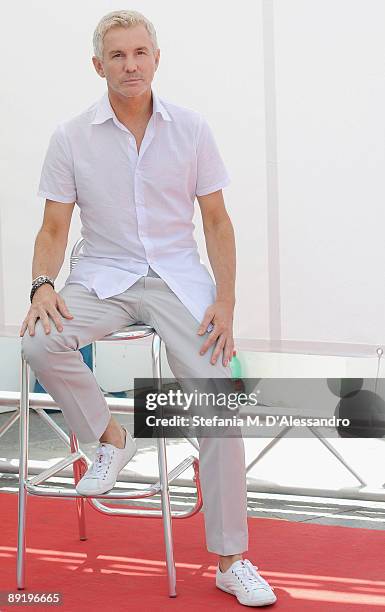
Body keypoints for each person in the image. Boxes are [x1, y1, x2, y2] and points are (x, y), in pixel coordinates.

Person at [19, 10, 276, 607]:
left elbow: (216, 219)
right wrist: (42, 286)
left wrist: (226, 301)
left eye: (140, 53)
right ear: (98, 65)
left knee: (218, 400)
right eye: (117, 56)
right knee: (38, 340)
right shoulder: (71, 135)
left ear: (156, 59)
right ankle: (109, 435)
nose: (130, 65)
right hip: (103, 275)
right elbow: (54, 226)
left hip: (178, 280)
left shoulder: (190, 128)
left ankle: (231, 560)